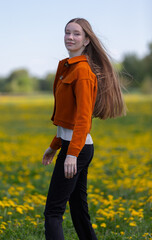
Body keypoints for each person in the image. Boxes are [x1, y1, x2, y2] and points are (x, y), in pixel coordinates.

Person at [42, 18, 126, 240]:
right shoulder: (65, 67)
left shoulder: (82, 72)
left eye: (76, 34)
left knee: (53, 212)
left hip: (77, 150)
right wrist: (54, 146)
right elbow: (66, 117)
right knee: (79, 210)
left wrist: (71, 154)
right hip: (74, 147)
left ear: (87, 40)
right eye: (67, 32)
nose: (70, 37)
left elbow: (82, 118)